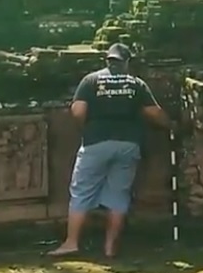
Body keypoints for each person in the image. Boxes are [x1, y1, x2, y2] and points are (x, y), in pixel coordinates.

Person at [47, 43, 172, 258]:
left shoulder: (91, 81)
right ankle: (110, 247)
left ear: (107, 61)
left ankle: (72, 242)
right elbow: (155, 113)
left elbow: (78, 111)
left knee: (81, 191)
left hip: (96, 142)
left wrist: (88, 126)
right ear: (126, 62)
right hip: (128, 144)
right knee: (118, 195)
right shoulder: (136, 84)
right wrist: (172, 125)